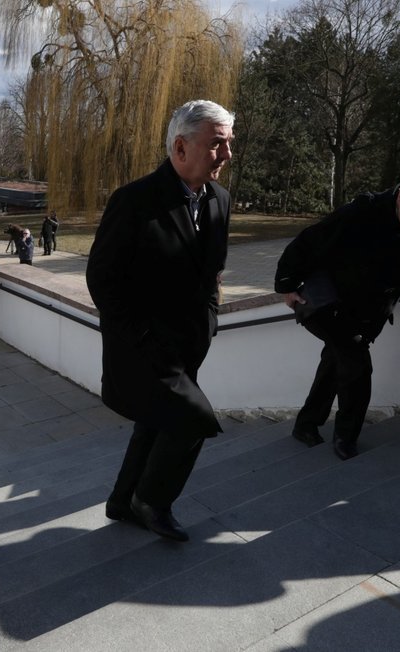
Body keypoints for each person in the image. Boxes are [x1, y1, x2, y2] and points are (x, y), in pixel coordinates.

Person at [86, 99, 234, 542]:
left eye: (229, 144)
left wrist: (208, 323)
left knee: (155, 422)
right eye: (216, 145)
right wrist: (145, 338)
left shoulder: (220, 201)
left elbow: (212, 274)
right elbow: (103, 283)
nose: (226, 156)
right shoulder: (134, 202)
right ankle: (152, 500)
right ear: (180, 147)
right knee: (194, 420)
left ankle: (121, 500)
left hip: (189, 344)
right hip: (143, 349)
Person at [275, 162, 400, 460]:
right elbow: (308, 242)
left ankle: (305, 425)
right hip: (328, 308)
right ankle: (346, 437)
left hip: (366, 316)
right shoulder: (363, 212)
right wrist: (286, 285)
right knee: (356, 368)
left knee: (334, 364)